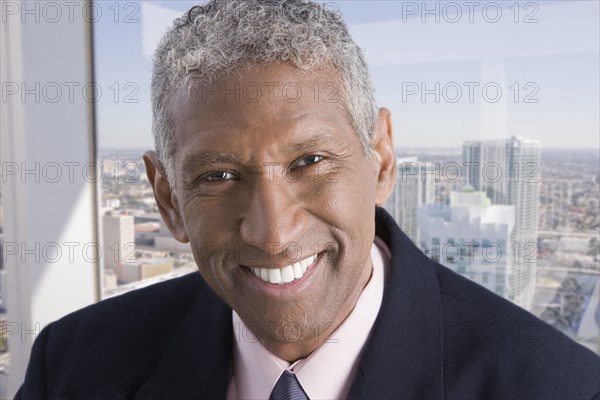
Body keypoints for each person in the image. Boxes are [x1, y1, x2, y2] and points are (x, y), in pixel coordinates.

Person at [16, 1, 600, 399]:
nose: (272, 232)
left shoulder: (557, 385)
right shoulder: (71, 367)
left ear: (381, 160)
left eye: (310, 162)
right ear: (167, 199)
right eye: (219, 176)